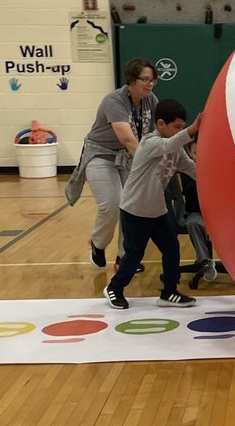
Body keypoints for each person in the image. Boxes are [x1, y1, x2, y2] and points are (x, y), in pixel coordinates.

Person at [104, 99, 202, 310]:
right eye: (177, 127)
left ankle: (169, 292)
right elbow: (169, 144)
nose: (180, 131)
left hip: (157, 211)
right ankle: (114, 288)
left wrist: (215, 177)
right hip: (135, 211)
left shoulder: (176, 149)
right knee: (134, 255)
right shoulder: (150, 142)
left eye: (183, 127)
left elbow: (192, 169)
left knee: (171, 248)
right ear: (160, 124)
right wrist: (193, 130)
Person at [65, 57, 158, 269]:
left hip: (128, 157)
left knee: (131, 206)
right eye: (145, 79)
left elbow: (158, 130)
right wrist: (147, 164)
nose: (150, 84)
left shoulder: (151, 100)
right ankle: (98, 244)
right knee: (111, 205)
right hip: (101, 155)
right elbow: (127, 139)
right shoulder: (114, 101)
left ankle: (125, 258)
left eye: (152, 80)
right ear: (132, 80)